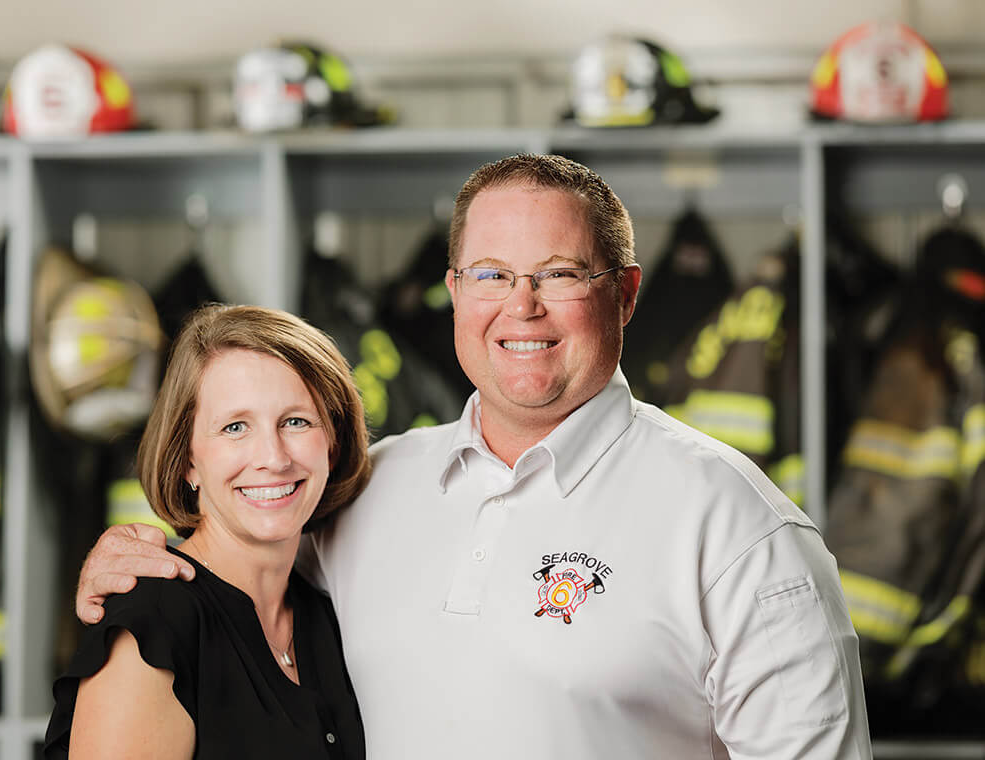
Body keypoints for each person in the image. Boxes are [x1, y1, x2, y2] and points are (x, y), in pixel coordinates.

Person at [75, 154, 873, 758]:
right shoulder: (365, 491)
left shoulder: (738, 529)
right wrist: (130, 556)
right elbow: (229, 584)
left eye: (559, 274)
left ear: (626, 294)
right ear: (455, 291)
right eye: (491, 274)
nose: (519, 306)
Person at [45, 304, 371, 759]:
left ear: (332, 444)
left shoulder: (327, 617)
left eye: (296, 421)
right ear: (188, 462)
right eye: (235, 427)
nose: (273, 458)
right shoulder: (153, 627)